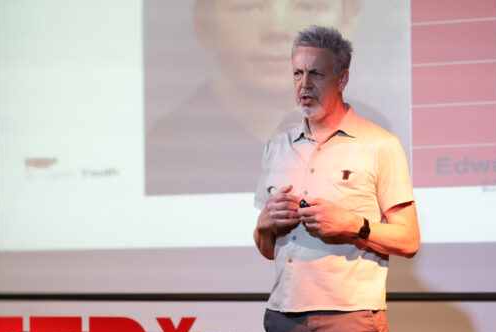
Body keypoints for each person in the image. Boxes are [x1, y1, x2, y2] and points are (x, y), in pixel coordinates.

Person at [253, 25, 419, 332]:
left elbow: (408, 239)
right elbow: (265, 247)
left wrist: (354, 225)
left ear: (342, 78)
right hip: (286, 318)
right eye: (297, 73)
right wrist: (264, 224)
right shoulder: (276, 148)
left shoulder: (379, 146)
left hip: (351, 319)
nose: (304, 84)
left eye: (316, 74)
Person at [144, 0, 393, 195]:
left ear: (347, 21)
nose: (277, 30)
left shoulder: (370, 132)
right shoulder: (167, 149)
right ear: (204, 24)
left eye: (307, 6)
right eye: (249, 6)